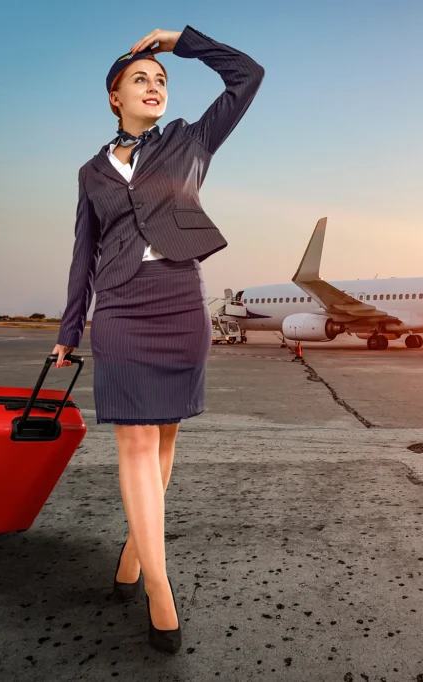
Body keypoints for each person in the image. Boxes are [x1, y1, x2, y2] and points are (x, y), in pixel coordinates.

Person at [51, 25, 264, 654]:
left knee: (163, 443)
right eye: (140, 78)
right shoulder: (91, 172)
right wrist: (68, 330)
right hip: (118, 308)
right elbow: (82, 255)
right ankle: (159, 590)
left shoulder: (191, 142)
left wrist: (182, 43)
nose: (155, 86)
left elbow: (248, 75)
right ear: (113, 96)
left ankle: (131, 555)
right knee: (138, 447)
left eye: (161, 80)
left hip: (178, 304)